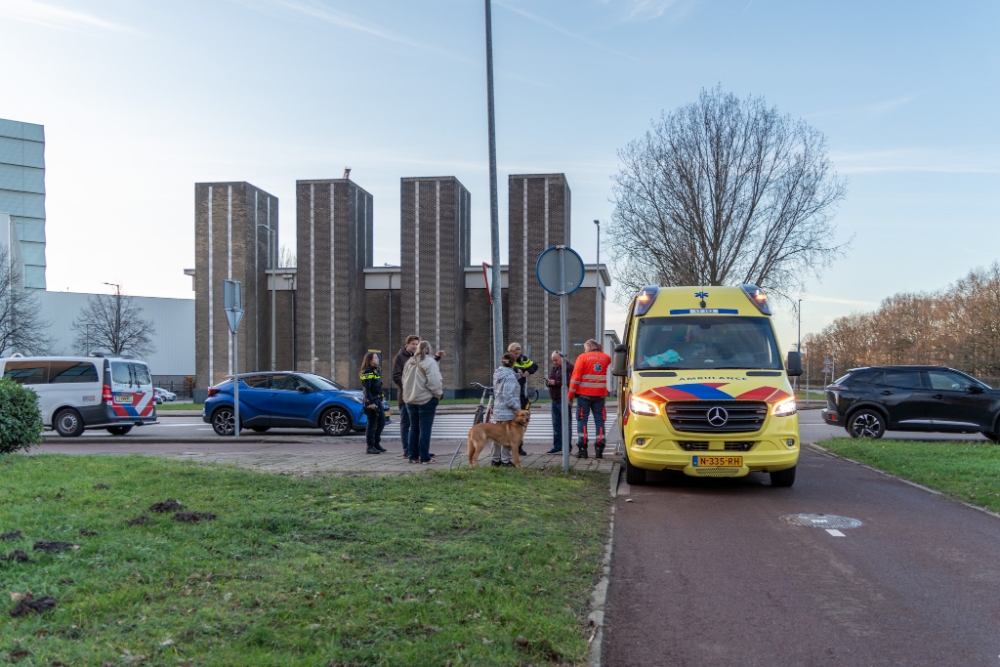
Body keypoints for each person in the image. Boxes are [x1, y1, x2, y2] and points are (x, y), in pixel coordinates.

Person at [393, 335, 444, 457]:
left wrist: (436, 358)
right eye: (413, 344)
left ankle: (415, 454)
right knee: (409, 426)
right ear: (407, 344)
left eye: (417, 344)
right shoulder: (401, 358)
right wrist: (410, 388)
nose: (415, 346)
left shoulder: (411, 360)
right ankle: (410, 451)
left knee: (415, 427)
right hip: (411, 397)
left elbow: (422, 369)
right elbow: (398, 377)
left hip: (410, 397)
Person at [568, 339, 612, 459]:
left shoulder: (582, 358)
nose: (584, 350)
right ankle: (599, 448)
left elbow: (575, 378)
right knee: (599, 420)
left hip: (584, 396)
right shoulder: (606, 358)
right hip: (600, 396)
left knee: (582, 420)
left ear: (588, 345)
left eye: (584, 347)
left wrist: (570, 396)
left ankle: (583, 448)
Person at [490, 352, 523, 467]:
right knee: (507, 438)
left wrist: (517, 376)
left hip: (497, 410)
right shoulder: (510, 377)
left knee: (496, 437)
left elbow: (502, 386)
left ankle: (495, 460)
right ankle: (505, 461)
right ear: (513, 363)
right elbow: (507, 396)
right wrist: (518, 408)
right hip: (507, 413)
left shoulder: (498, 374)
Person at [507, 342, 537, 457]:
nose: (517, 356)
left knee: (522, 421)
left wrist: (528, 371)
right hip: (511, 392)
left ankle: (519, 446)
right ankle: (509, 446)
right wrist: (516, 370)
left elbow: (535, 366)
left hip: (521, 393)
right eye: (515, 354)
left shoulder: (523, 358)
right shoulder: (506, 359)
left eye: (518, 353)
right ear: (510, 352)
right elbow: (505, 369)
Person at [545, 350, 574, 455]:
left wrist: (556, 383)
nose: (554, 362)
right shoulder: (555, 368)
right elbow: (552, 380)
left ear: (561, 357)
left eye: (556, 360)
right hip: (555, 400)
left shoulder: (569, 368)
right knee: (556, 424)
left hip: (564, 400)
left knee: (566, 424)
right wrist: (549, 383)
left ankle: (567, 447)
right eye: (553, 360)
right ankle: (557, 446)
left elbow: (572, 382)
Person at [359, 352, 386, 455]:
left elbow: (378, 387)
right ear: (370, 360)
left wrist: (381, 400)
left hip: (378, 400)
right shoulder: (367, 372)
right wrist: (370, 402)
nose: (377, 359)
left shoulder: (375, 371)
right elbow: (367, 389)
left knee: (382, 422)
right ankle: (370, 446)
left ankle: (376, 443)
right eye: (375, 357)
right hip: (372, 401)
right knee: (372, 423)